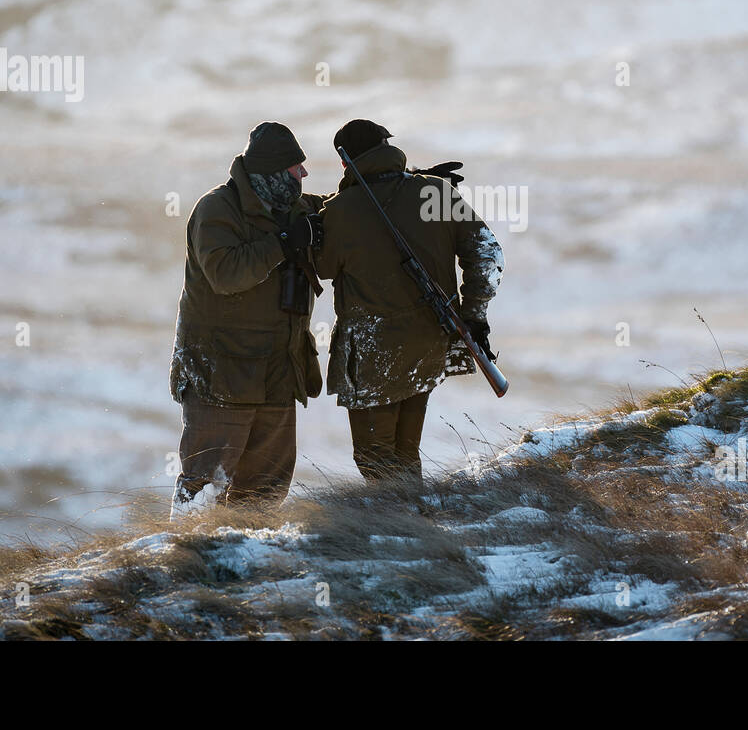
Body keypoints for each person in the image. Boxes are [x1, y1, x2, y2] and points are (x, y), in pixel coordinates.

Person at [316, 119, 503, 492]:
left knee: (375, 460)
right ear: (388, 146)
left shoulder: (339, 212)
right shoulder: (436, 193)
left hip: (372, 357)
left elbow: (321, 266)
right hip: (428, 346)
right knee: (404, 453)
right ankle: (414, 523)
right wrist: (474, 316)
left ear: (345, 163)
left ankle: (399, 534)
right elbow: (487, 254)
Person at [168, 122, 325, 516]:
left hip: (278, 372)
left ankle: (250, 566)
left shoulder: (293, 208)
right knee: (203, 488)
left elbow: (343, 207)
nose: (304, 174)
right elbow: (226, 274)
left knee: (265, 493)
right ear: (272, 173)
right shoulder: (216, 209)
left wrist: (399, 183)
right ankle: (184, 570)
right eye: (295, 168)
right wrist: (284, 243)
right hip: (220, 375)